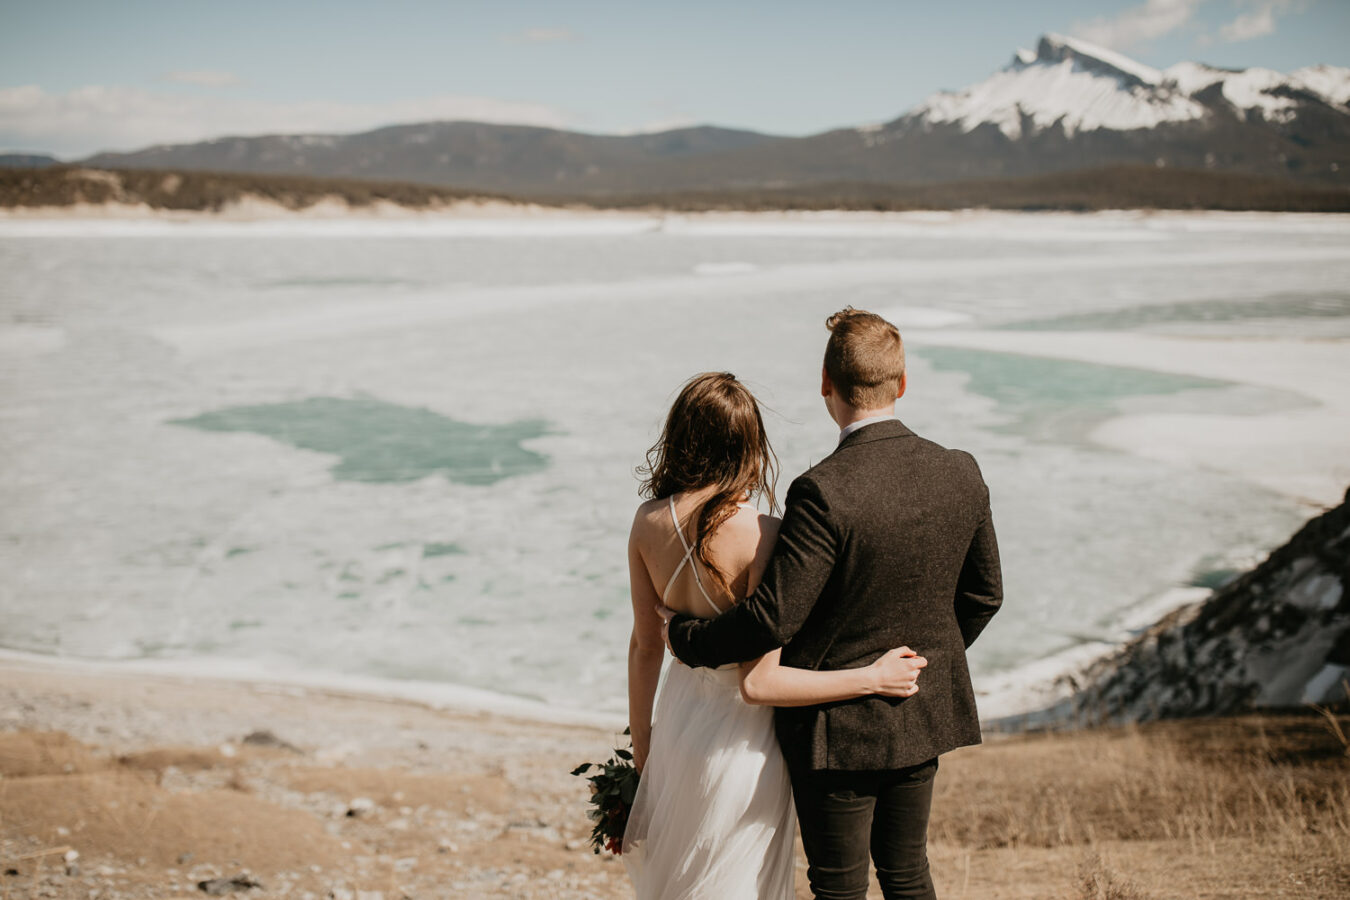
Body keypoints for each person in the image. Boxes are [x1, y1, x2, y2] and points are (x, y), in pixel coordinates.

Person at [662, 308, 1003, 900]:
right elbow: (984, 595)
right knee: (908, 873)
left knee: (839, 888)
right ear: (902, 383)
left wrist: (685, 639)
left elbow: (772, 618)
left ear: (826, 383)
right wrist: (920, 662)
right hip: (916, 706)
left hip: (834, 730)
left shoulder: (822, 490)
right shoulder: (960, 471)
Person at [623, 371, 929, 900]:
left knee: (681, 878)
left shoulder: (647, 522)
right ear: (748, 444)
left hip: (677, 725)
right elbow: (763, 675)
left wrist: (644, 752)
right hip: (746, 740)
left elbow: (644, 647)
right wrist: (873, 676)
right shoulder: (764, 533)